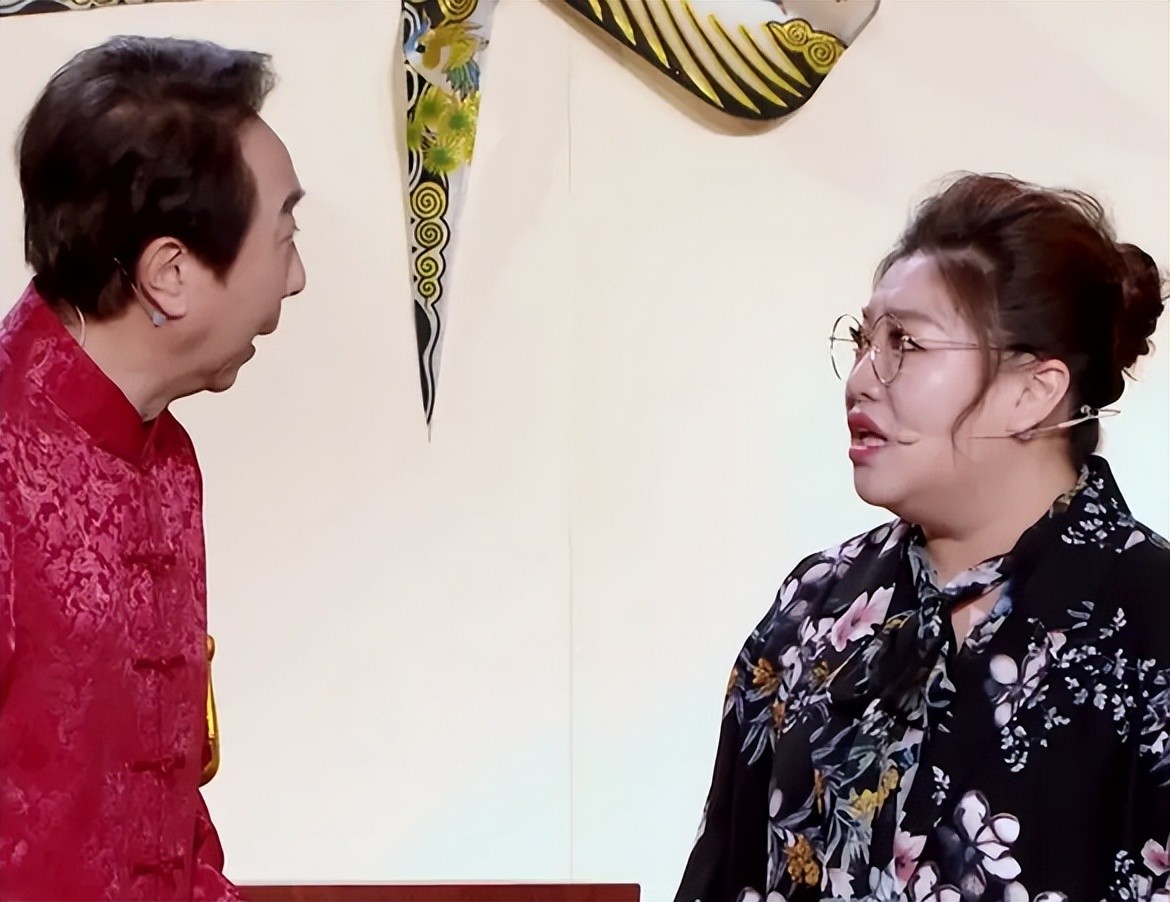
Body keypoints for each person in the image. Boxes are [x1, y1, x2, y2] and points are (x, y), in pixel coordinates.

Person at [675, 174, 1168, 902]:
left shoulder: (1152, 619)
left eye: (905, 342)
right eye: (863, 340)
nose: (860, 380)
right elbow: (726, 873)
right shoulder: (817, 608)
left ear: (1034, 390)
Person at [0, 35, 305, 900]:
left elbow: (161, 815)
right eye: (284, 235)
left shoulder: (165, 459)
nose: (296, 278)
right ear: (170, 273)